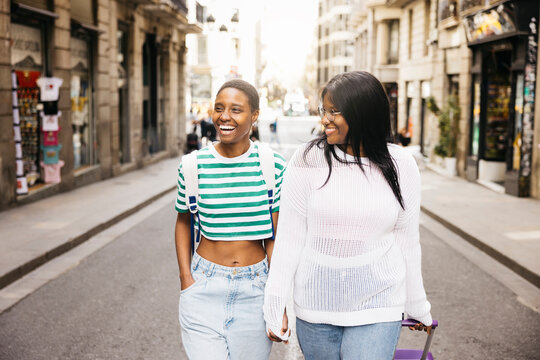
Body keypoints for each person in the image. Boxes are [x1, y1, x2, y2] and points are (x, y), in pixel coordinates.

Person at [263, 71, 432, 359]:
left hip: (379, 303)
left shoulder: (401, 165)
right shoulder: (307, 159)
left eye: (334, 112)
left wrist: (417, 305)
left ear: (363, 113)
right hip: (315, 305)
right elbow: (289, 238)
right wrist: (275, 304)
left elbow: (406, 239)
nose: (325, 119)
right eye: (323, 110)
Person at [174, 79, 287, 360]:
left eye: (236, 110)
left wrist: (278, 299)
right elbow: (183, 222)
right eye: (219, 108)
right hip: (204, 286)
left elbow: (276, 238)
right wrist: (186, 278)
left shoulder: (273, 166)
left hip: (256, 289)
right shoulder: (192, 165)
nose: (224, 116)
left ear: (254, 116)